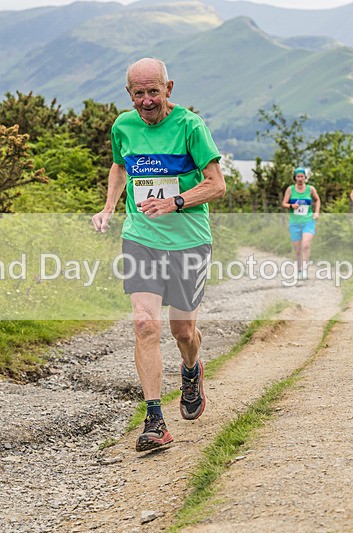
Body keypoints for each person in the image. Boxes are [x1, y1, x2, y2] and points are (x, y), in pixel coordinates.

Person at [92, 58, 226, 452]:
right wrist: (109, 207)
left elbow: (216, 186)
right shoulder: (123, 126)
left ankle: (190, 369)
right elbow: (120, 167)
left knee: (182, 331)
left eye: (154, 92)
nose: (147, 101)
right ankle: (154, 420)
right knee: (144, 324)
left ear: (169, 89)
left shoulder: (190, 126)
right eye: (139, 94)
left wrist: (176, 201)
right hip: (141, 237)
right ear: (128, 94)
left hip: (188, 240)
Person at [282, 167, 320, 280]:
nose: (300, 178)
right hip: (294, 222)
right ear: (295, 178)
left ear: (305, 177)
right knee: (298, 250)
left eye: (301, 176)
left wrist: (316, 212)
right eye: (298, 176)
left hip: (308, 221)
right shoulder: (290, 189)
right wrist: (290, 206)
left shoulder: (310, 189)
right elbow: (284, 203)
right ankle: (299, 270)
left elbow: (317, 200)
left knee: (306, 245)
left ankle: (305, 269)